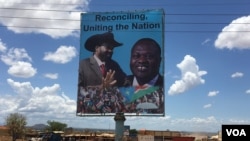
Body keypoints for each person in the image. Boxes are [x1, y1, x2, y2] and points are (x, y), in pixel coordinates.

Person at [77, 31, 127, 114]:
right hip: (90, 109)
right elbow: (79, 90)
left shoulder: (114, 65)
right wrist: (101, 88)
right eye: (108, 47)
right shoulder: (83, 65)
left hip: (111, 109)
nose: (110, 51)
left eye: (112, 48)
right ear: (97, 48)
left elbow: (125, 82)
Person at [121, 38, 164, 114]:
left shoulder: (166, 87)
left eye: (149, 56)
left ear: (159, 61)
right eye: (136, 56)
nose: (141, 60)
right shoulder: (119, 83)